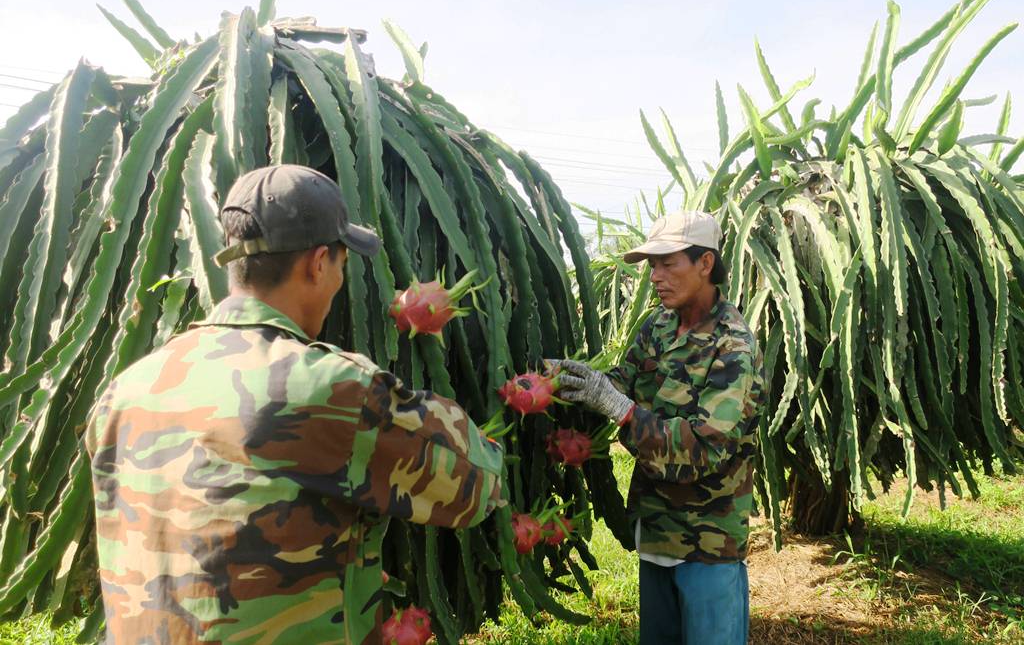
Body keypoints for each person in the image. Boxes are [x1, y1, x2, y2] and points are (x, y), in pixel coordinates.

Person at [85, 165, 505, 644]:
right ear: (318, 263)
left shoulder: (125, 390)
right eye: (342, 265)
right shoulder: (332, 389)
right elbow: (479, 483)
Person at [552, 210, 764, 645]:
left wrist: (619, 408)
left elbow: (702, 450)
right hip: (656, 532)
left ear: (705, 264)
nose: (657, 276)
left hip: (709, 545)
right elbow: (620, 382)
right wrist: (566, 382)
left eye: (669, 263)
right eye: (653, 265)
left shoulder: (733, 346)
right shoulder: (658, 327)